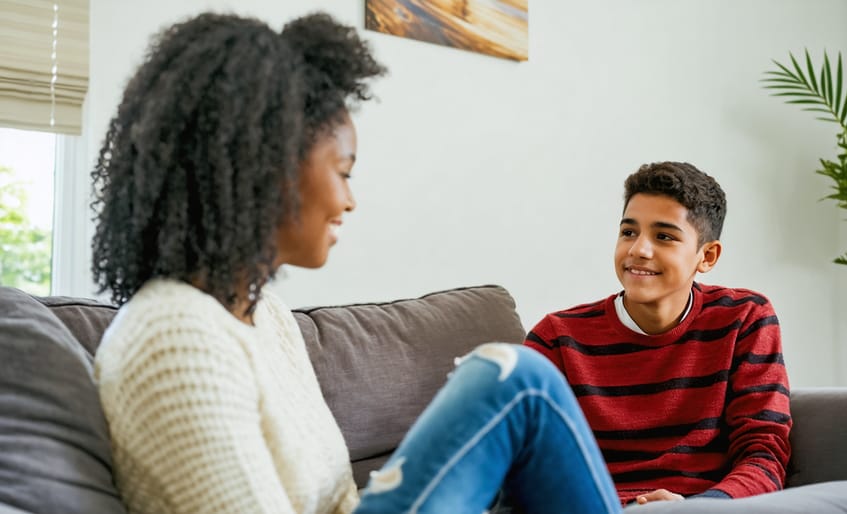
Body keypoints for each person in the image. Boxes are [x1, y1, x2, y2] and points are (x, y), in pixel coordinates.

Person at [90, 11, 624, 514]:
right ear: (265, 165)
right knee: (514, 378)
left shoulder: (265, 314)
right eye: (343, 171)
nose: (350, 200)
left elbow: (339, 497)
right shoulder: (173, 335)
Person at [524, 162, 791, 506]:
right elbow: (534, 467)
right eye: (629, 232)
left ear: (707, 256)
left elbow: (764, 452)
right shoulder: (556, 338)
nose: (638, 250)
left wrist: (702, 508)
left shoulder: (745, 318)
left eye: (663, 236)